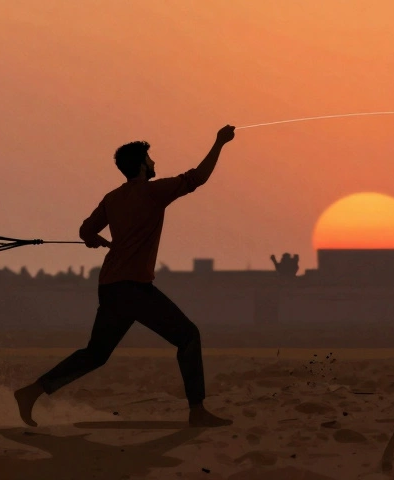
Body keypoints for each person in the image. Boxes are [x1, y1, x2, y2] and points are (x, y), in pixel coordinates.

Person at [15, 126, 238, 427]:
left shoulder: (113, 197)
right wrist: (219, 142)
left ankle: (32, 392)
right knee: (188, 336)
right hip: (133, 289)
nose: (154, 161)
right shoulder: (152, 191)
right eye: (150, 157)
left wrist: (96, 239)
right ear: (142, 165)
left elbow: (85, 231)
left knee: (96, 354)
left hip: (110, 288)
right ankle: (197, 412)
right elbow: (196, 178)